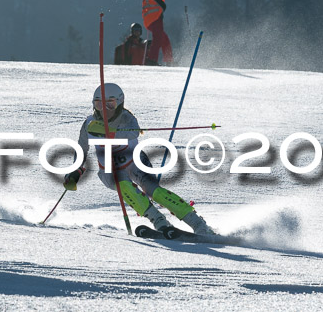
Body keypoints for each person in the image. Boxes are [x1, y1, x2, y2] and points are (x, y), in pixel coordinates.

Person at [62, 83, 214, 235]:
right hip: (110, 170)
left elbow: (132, 133)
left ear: (120, 103)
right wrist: (76, 170)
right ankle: (159, 221)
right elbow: (81, 148)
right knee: (124, 187)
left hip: (135, 163)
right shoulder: (89, 124)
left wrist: (110, 133)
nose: (105, 110)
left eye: (110, 104)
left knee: (155, 192)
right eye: (99, 104)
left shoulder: (127, 117)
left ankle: (197, 223)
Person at [141, 0, 173, 66]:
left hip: (151, 21)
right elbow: (163, 5)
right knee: (158, 40)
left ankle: (169, 60)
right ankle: (152, 59)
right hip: (155, 19)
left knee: (164, 39)